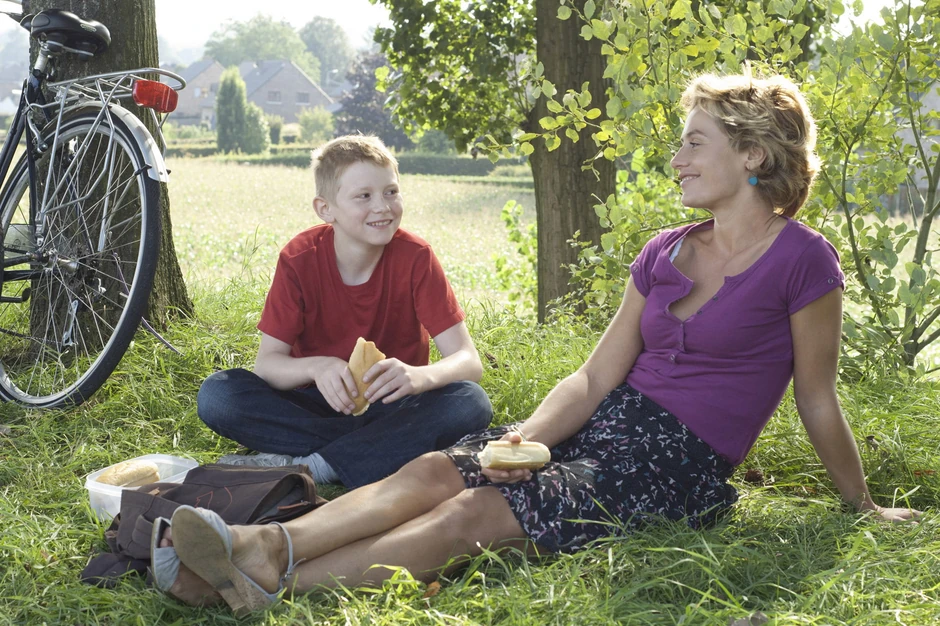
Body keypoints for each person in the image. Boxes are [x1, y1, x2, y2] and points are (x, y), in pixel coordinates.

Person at [161, 73, 920, 612]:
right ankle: (259, 543)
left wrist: (860, 504)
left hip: (675, 462)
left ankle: (274, 580)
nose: (678, 159)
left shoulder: (803, 260)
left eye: (696, 143)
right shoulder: (663, 251)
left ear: (753, 155)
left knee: (471, 517)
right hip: (603, 424)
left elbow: (817, 398)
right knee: (439, 469)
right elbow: (592, 380)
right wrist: (523, 439)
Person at [196, 135, 492, 488]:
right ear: (325, 209)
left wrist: (418, 376)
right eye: (363, 196)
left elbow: (468, 361)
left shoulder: (416, 257)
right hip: (313, 404)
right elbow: (268, 365)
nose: (382, 206)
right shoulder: (299, 259)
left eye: (391, 192)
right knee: (218, 395)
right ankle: (369, 452)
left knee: (470, 402)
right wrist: (317, 366)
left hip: (392, 404)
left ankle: (314, 466)